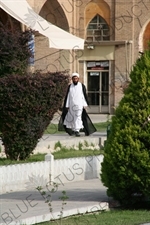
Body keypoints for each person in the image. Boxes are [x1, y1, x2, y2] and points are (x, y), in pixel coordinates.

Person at [58, 72, 96, 137]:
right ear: (72, 79)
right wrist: (67, 105)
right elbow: (68, 97)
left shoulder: (81, 86)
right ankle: (73, 129)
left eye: (76, 78)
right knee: (72, 118)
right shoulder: (70, 86)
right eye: (74, 78)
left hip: (79, 105)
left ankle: (77, 130)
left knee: (78, 117)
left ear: (78, 79)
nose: (75, 80)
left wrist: (85, 104)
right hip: (71, 105)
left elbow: (83, 96)